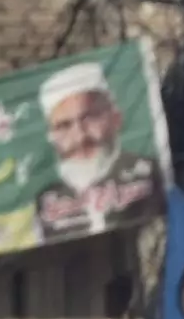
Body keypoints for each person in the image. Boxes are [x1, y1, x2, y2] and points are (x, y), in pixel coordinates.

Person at [33, 62, 160, 237]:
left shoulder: (152, 173)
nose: (80, 136)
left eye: (89, 118)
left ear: (116, 119)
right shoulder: (47, 200)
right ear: (52, 138)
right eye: (64, 125)